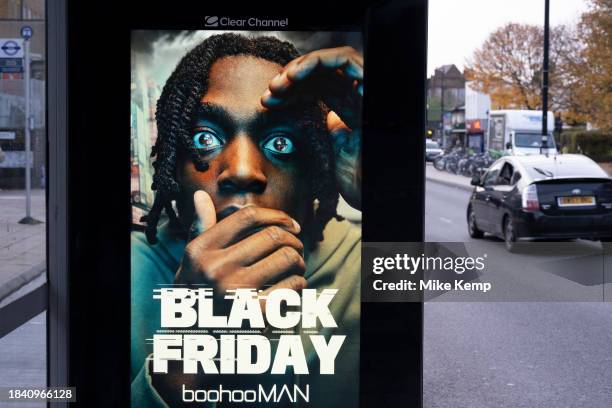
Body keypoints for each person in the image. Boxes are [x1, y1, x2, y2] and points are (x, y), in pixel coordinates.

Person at [131, 33, 362, 407]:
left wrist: (390, 195)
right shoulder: (123, 270)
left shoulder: (364, 264)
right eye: (205, 138)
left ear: (315, 169)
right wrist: (193, 339)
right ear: (173, 162)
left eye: (281, 143)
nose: (241, 171)